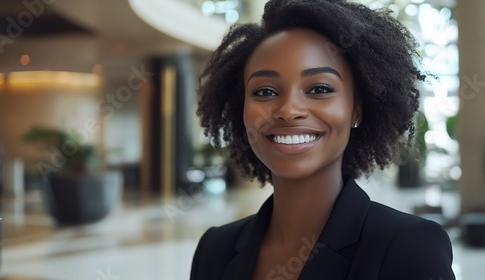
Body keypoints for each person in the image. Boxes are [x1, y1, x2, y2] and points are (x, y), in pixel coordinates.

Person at [190, 0, 455, 279]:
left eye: (319, 88)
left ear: (357, 109)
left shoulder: (411, 248)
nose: (289, 110)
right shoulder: (214, 249)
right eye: (265, 92)